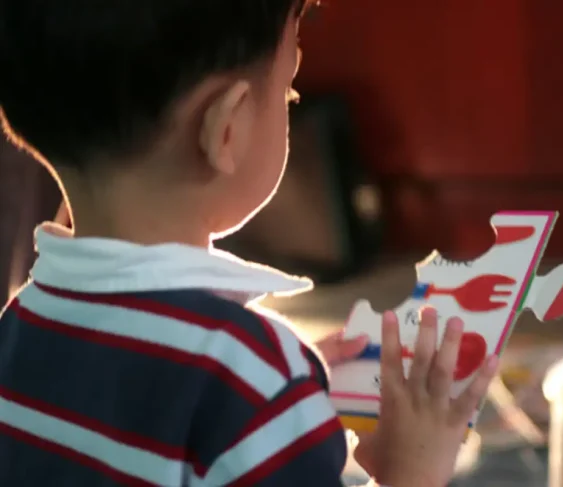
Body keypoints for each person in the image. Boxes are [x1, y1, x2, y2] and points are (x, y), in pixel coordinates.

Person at [0, 0, 498, 485]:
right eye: (289, 92)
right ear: (227, 128)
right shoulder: (253, 380)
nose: (290, 102)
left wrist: (278, 397)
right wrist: (412, 470)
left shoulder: (19, 326)